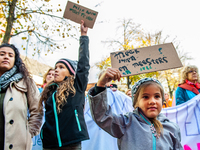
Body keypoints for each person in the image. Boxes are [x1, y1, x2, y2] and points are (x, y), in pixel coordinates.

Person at [88, 68, 183, 150]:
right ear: (135, 103)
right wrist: (101, 84)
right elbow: (102, 116)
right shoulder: (125, 123)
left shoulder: (172, 128)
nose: (152, 101)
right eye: (146, 97)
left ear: (162, 101)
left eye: (157, 96)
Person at [38, 20, 90, 150]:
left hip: (71, 142)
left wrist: (83, 36)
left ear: (71, 72)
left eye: (61, 67)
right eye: (56, 67)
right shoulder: (49, 91)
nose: (56, 69)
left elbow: (84, 65)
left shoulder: (77, 86)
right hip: (50, 143)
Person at [0, 43, 42, 150]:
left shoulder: (26, 82)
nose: (6, 57)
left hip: (16, 144)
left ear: (15, 60)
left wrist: (28, 134)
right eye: (2, 54)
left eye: (10, 55)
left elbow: (37, 111)